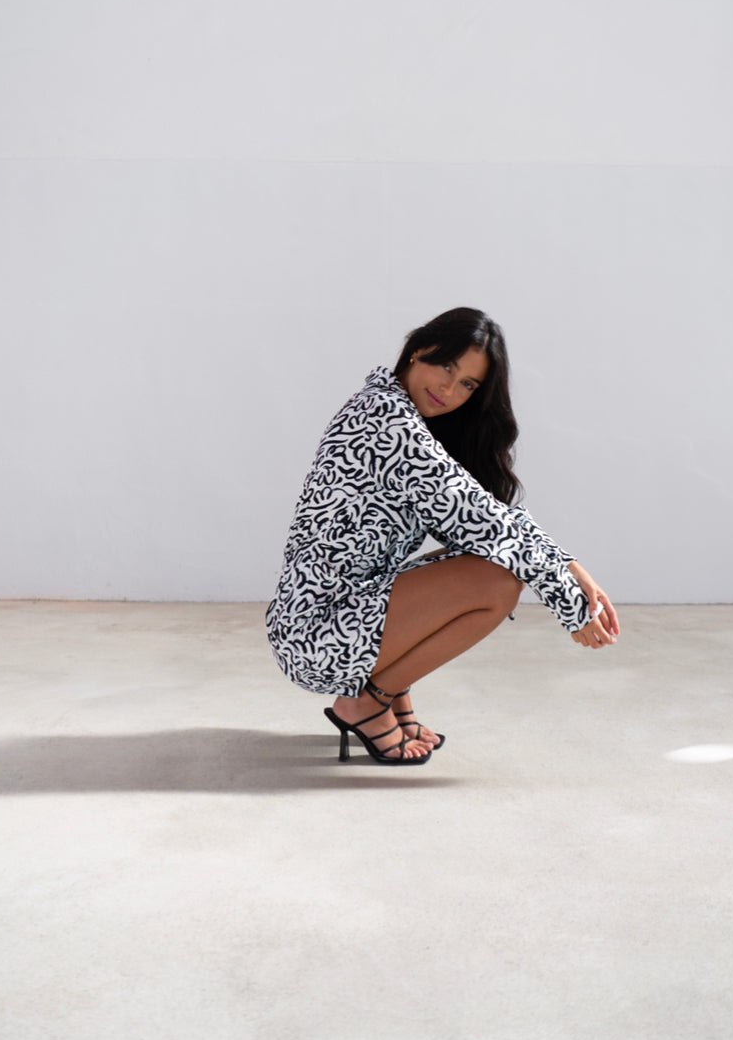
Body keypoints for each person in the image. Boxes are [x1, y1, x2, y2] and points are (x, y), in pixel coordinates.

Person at [265, 306, 620, 765]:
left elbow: (492, 513)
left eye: (468, 384)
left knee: (484, 565)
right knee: (496, 583)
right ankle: (367, 702)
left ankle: (391, 695)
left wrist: (571, 566)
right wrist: (571, 603)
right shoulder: (386, 419)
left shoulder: (408, 417)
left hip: (349, 609)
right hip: (315, 633)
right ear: (418, 350)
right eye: (447, 367)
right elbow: (482, 521)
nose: (450, 390)